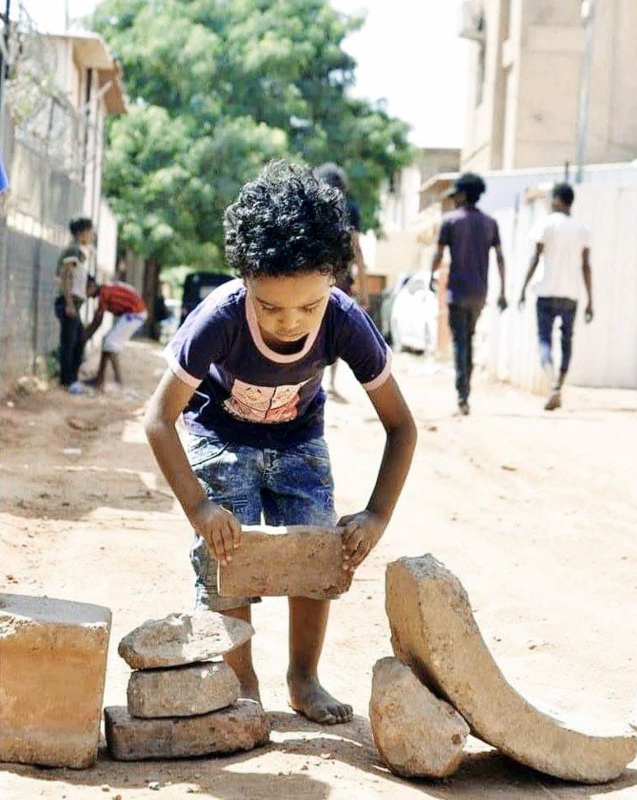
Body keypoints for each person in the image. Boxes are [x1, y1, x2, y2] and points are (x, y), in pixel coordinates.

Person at [144, 160, 416, 725]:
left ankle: (303, 677)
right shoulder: (218, 318)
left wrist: (376, 515)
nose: (290, 322)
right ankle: (241, 679)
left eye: (308, 306)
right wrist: (200, 506)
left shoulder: (345, 321)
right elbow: (157, 419)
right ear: (246, 282)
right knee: (226, 554)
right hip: (222, 437)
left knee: (320, 552)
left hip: (299, 443)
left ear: (333, 284)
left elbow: (401, 426)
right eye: (270, 307)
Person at [430, 172, 506, 415]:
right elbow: (501, 258)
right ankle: (465, 394)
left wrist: (431, 276)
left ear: (463, 194)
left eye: (455, 195)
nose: (453, 200)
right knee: (469, 341)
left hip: (456, 292)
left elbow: (438, 255)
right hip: (479, 294)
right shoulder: (490, 223)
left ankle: (462, 397)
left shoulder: (450, 221)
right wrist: (503, 290)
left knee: (460, 343)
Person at [518, 183, 593, 411]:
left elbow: (535, 258)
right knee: (566, 341)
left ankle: (553, 385)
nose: (551, 202)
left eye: (553, 199)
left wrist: (523, 288)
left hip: (545, 291)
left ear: (559, 200)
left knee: (544, 340)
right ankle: (558, 384)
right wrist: (591, 299)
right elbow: (586, 266)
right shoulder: (583, 229)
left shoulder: (546, 223)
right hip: (571, 294)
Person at [314, 162, 369, 399]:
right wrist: (364, 287)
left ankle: (312, 380)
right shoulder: (350, 208)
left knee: (313, 328)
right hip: (341, 278)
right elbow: (356, 248)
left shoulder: (313, 204)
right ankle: (332, 381)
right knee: (335, 330)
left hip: (314, 275)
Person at [83, 278, 148, 390]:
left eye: (86, 289)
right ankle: (100, 379)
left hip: (135, 313)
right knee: (107, 341)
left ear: (92, 285)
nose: (86, 294)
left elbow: (97, 321)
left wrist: (84, 338)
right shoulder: (106, 289)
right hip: (134, 312)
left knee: (111, 343)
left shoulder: (104, 292)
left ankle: (118, 381)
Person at [55, 217, 95, 394]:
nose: (92, 234)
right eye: (90, 230)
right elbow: (66, 276)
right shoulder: (74, 250)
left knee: (77, 340)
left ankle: (70, 379)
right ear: (82, 232)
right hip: (68, 303)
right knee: (70, 342)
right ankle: (68, 381)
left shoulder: (79, 251)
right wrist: (69, 304)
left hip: (73, 303)